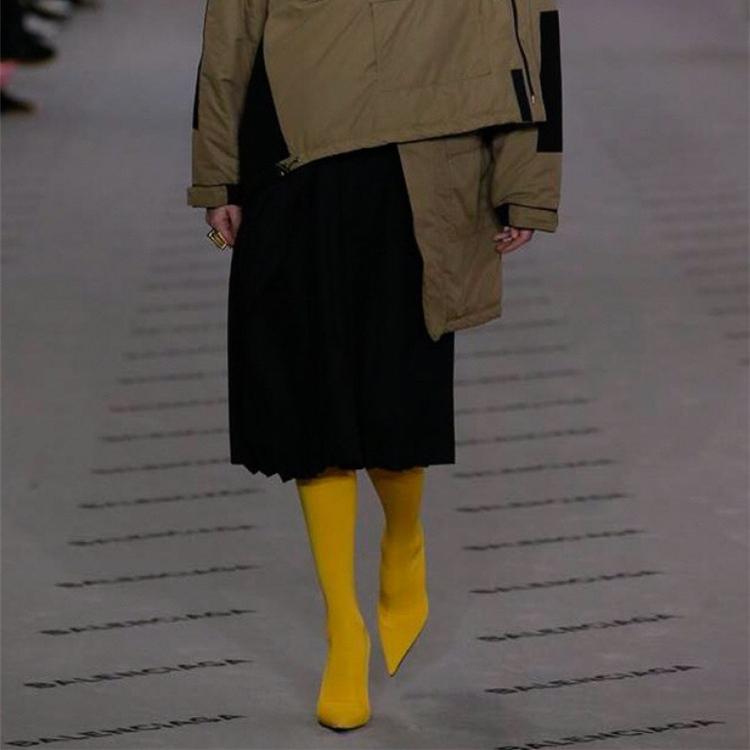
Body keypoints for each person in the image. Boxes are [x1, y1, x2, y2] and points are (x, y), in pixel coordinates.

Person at [187, 0, 562, 732]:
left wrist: (526, 183)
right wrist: (219, 177)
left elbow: (529, 25)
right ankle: (343, 627)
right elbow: (229, 26)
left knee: (396, 393)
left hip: (423, 161)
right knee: (308, 403)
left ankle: (403, 535)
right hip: (291, 159)